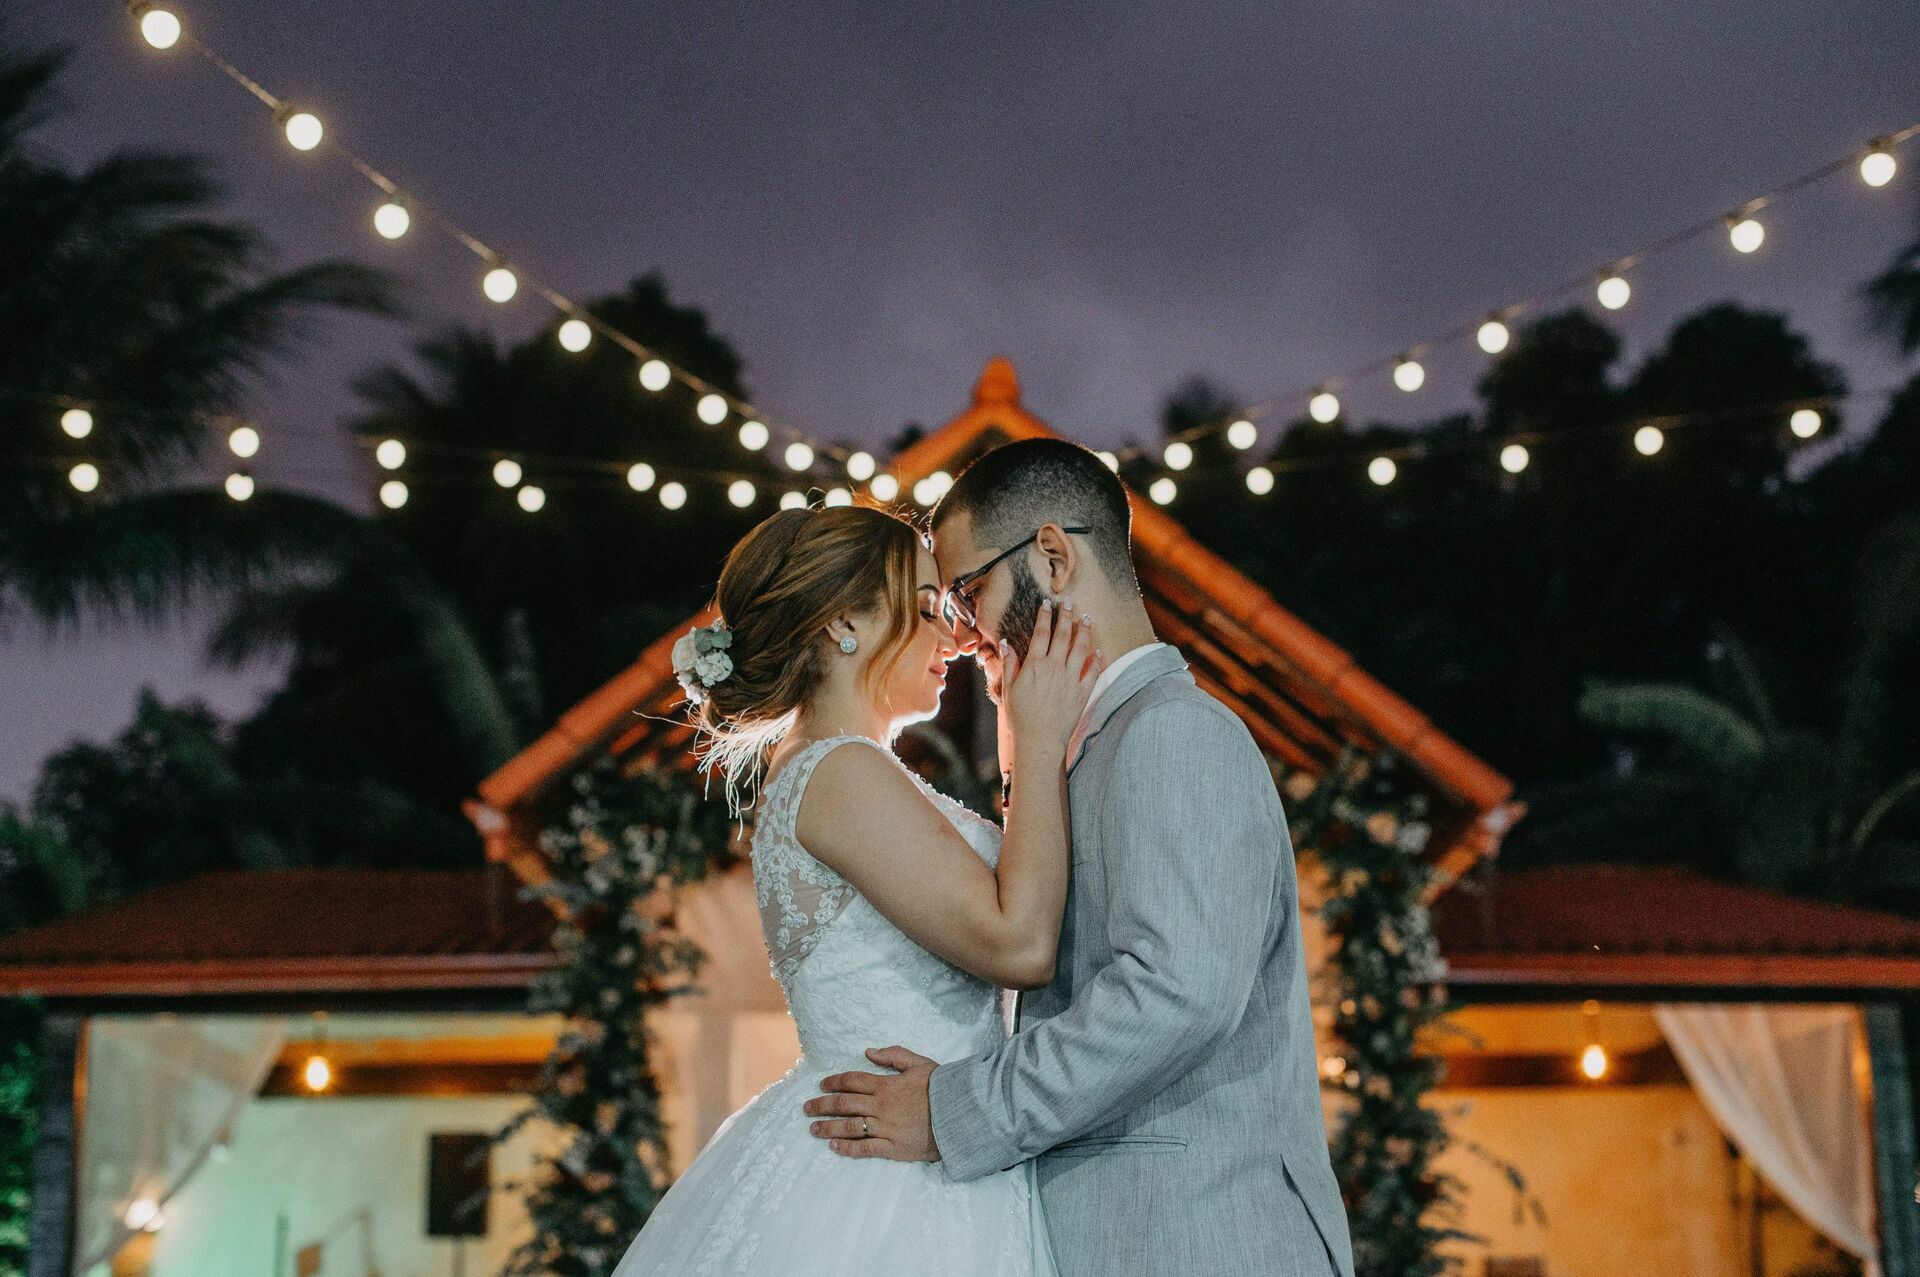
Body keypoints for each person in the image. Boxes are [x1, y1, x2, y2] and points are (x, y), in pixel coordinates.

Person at [803, 438, 1357, 1276]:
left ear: (1053, 558)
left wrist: (956, 1111)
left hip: (1198, 1237)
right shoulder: (1085, 747)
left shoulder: (1175, 731)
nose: (959, 634)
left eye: (966, 593)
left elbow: (1178, 991)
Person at [610, 502, 1099, 1275]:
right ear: (845, 623)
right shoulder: (840, 772)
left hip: (916, 1141)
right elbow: (1020, 941)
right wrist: (1039, 741)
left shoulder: (835, 767)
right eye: (928, 607)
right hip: (894, 1184)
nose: (955, 635)